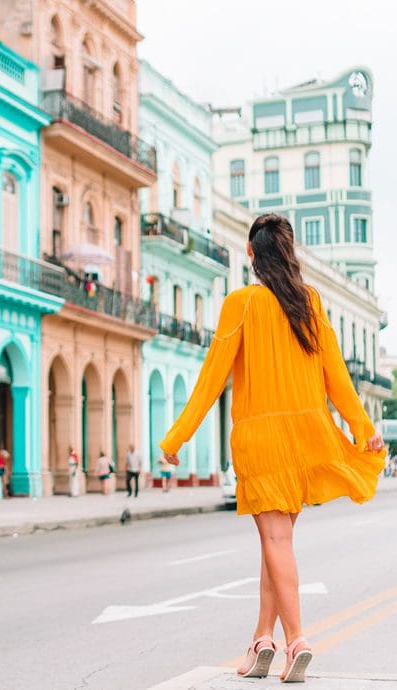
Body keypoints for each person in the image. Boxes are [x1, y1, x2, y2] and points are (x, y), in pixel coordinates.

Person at [159, 214, 386, 684]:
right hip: (307, 436)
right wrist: (364, 426)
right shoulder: (310, 303)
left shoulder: (239, 304)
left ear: (250, 254)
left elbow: (210, 380)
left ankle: (296, 639)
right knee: (274, 543)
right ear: (289, 253)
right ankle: (262, 639)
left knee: (275, 540)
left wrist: (176, 437)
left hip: (261, 442)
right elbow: (337, 377)